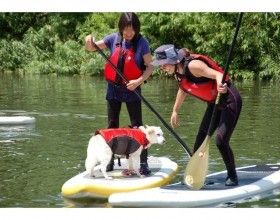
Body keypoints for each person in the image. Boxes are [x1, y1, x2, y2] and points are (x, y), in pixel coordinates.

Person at [151, 44, 242, 186]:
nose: (162, 68)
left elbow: (218, 75)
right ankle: (194, 176)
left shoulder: (194, 66)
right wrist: (175, 110)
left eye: (164, 65)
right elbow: (183, 88)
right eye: (161, 66)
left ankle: (233, 177)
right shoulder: (178, 72)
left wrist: (221, 85)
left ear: (174, 60)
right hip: (214, 104)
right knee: (199, 142)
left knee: (221, 141)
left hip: (229, 100)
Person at [84, 12, 153, 175]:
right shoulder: (113, 39)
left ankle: (143, 162)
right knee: (111, 126)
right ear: (121, 28)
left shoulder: (142, 43)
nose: (129, 33)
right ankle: (109, 162)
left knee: (138, 127)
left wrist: (138, 81)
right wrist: (88, 41)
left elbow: (150, 66)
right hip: (114, 89)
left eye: (132, 30)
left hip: (132, 89)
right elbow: (92, 48)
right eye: (126, 29)